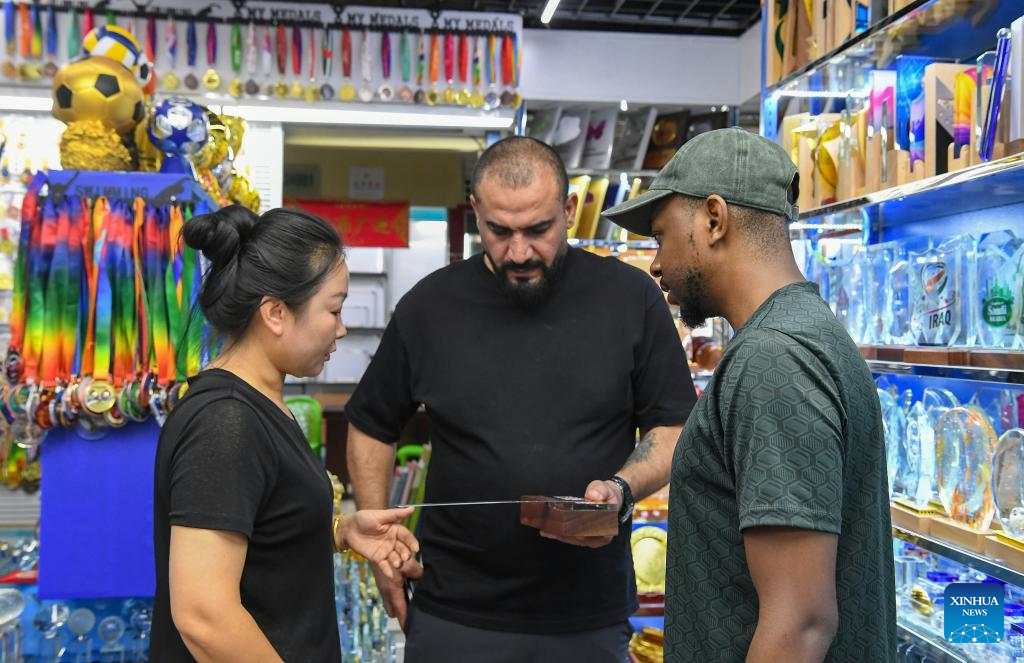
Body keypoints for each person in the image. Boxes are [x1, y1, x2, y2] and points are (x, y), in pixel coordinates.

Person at [345, 136, 696, 661]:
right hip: (453, 611)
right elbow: (372, 423)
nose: (519, 251)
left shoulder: (631, 299)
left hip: (586, 614)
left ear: (570, 212)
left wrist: (621, 488)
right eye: (499, 231)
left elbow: (672, 428)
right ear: (476, 215)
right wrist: (381, 543)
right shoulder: (430, 307)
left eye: (538, 229)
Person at [603, 127, 896, 662]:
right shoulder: (804, 335)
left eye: (661, 233)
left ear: (714, 219)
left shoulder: (773, 360)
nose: (655, 262)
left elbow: (800, 624)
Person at [151, 206, 418, 662]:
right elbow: (204, 616)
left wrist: (338, 529)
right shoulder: (226, 422)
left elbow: (261, 528)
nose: (341, 328)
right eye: (332, 309)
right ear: (275, 312)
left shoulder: (261, 405)